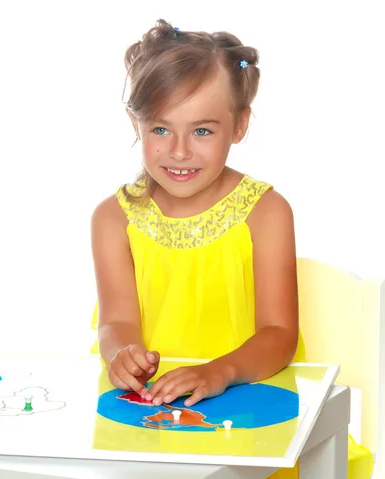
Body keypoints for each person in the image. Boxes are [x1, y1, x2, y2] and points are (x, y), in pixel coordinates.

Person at [89, 19, 372, 479]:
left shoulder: (267, 211)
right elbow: (116, 321)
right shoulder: (112, 217)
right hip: (148, 416)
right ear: (135, 123)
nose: (179, 151)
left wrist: (219, 371)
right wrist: (123, 353)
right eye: (160, 129)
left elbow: (278, 333)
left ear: (239, 125)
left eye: (202, 131)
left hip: (252, 411)